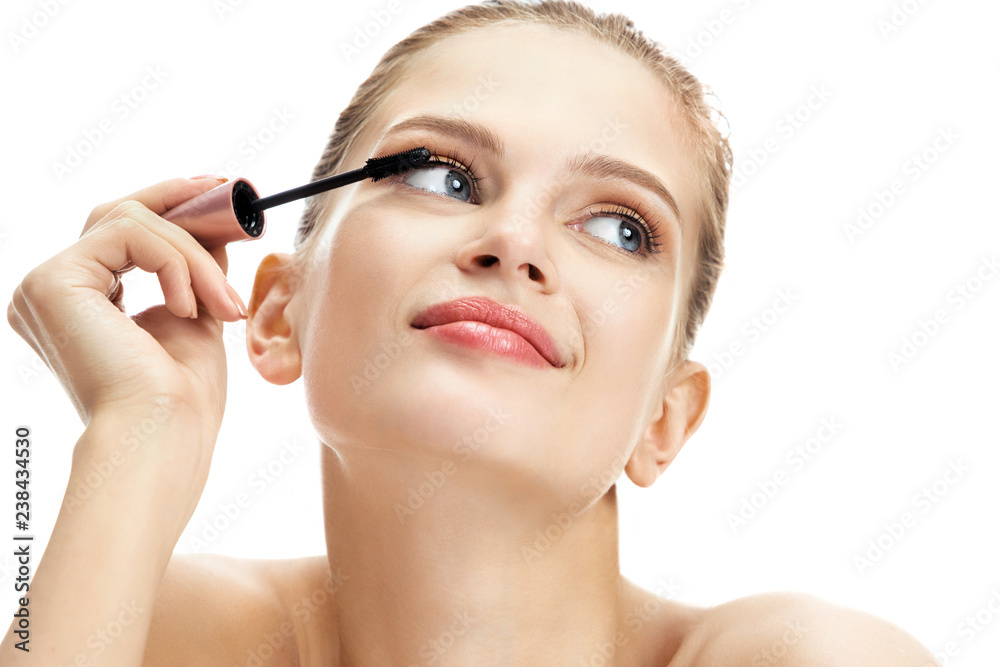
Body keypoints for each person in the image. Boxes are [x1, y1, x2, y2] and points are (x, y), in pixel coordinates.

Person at [3, 1, 940, 664]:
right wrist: (135, 434)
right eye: (442, 176)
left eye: (620, 226)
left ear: (666, 416)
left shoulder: (803, 658)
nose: (514, 243)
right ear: (282, 312)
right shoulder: (163, 633)